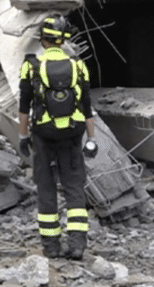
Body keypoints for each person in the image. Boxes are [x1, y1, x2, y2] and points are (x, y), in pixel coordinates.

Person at [17, 14, 98, 260]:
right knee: (74, 186)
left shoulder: (31, 67)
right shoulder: (78, 66)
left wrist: (23, 136)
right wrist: (92, 139)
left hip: (43, 135)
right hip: (72, 135)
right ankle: (77, 245)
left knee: (46, 186)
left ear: (43, 41)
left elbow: (24, 107)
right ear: (63, 41)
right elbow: (86, 107)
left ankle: (51, 246)